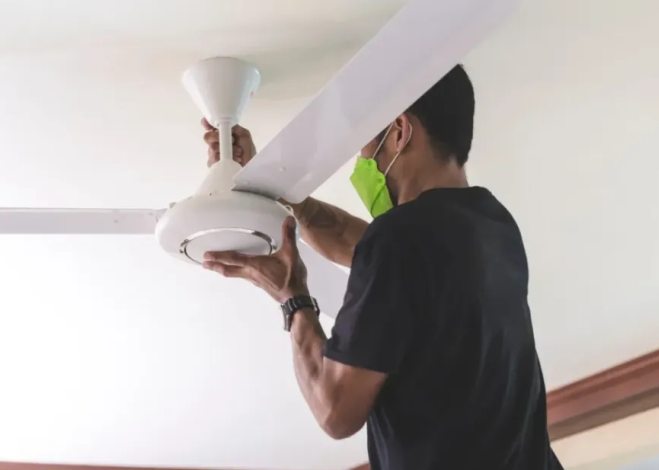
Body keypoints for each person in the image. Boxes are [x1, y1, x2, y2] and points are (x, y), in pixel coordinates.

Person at [201, 65, 563, 470]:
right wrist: (271, 187)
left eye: (365, 144)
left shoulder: (398, 240)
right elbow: (350, 239)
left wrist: (292, 297)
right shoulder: (492, 224)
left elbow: (333, 410)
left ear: (399, 132)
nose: (362, 161)